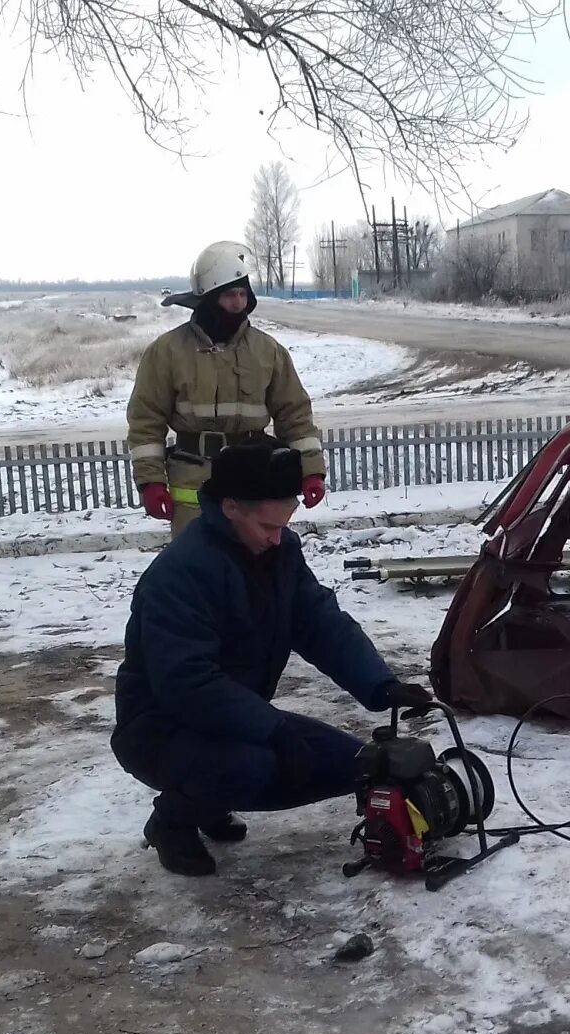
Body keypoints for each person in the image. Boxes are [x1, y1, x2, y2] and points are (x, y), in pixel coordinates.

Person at [111, 442, 431, 876]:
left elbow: (318, 621)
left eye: (284, 525)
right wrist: (273, 729)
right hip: (160, 729)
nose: (277, 537)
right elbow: (187, 684)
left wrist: (380, 685)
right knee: (254, 766)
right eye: (267, 525)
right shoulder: (181, 574)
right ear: (230, 507)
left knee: (359, 764)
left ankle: (210, 799)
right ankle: (173, 819)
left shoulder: (279, 553)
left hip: (238, 719)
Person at [126, 240, 328, 538]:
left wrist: (312, 471)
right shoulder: (167, 352)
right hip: (192, 485)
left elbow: (295, 415)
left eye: (242, 293)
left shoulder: (268, 351)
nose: (237, 303)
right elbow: (146, 422)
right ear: (207, 298)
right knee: (197, 572)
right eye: (228, 295)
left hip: (253, 479)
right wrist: (150, 482)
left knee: (255, 569)